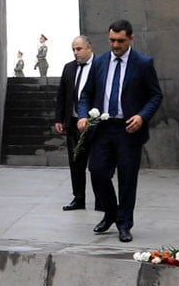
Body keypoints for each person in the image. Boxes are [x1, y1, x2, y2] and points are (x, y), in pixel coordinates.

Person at [78, 20, 163, 243]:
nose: (116, 45)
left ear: (131, 39)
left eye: (121, 41)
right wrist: (84, 115)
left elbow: (155, 95)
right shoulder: (100, 63)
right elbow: (86, 93)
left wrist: (142, 116)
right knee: (97, 172)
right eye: (112, 40)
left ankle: (124, 224)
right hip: (102, 128)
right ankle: (111, 212)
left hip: (128, 130)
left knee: (127, 178)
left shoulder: (143, 63)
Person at [54, 36, 96, 211]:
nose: (75, 52)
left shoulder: (99, 66)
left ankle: (102, 200)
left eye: (79, 49)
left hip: (94, 123)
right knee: (75, 162)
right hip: (72, 123)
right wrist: (59, 118)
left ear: (89, 48)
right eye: (73, 49)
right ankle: (78, 198)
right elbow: (62, 95)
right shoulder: (69, 68)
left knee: (96, 164)